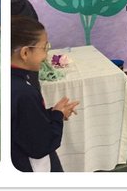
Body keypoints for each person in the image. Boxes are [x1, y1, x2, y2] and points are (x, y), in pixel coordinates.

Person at [11, 17, 78, 171]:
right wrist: (57, 117)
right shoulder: (25, 93)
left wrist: (52, 113)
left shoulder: (16, 82)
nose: (46, 55)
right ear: (25, 52)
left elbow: (22, 122)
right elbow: (41, 145)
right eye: (44, 48)